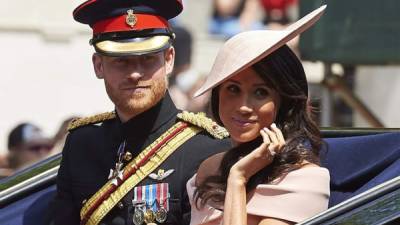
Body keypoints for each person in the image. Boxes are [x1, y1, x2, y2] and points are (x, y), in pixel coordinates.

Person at [53, 0, 231, 225]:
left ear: (169, 59)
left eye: (147, 59)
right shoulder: (81, 144)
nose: (135, 73)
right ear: (98, 66)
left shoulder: (207, 149)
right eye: (122, 61)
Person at [187, 6, 330, 225]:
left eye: (261, 92)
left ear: (284, 101)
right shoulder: (209, 169)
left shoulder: (305, 180)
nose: (243, 106)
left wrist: (238, 179)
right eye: (233, 89)